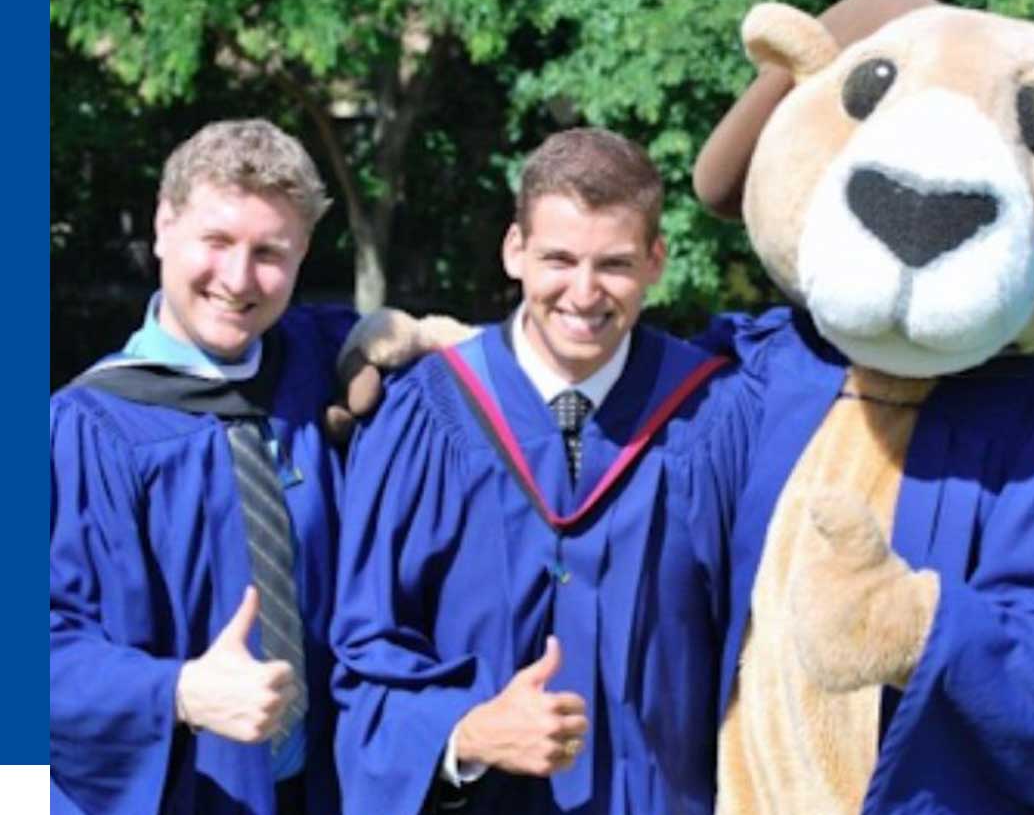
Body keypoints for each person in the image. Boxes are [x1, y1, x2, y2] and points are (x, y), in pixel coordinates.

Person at [331, 128, 765, 815]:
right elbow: (368, 648)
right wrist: (462, 734)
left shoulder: (718, 417)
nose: (585, 294)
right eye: (559, 259)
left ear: (657, 260)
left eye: (615, 264)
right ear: (515, 252)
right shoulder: (423, 415)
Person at [50, 119, 354, 814]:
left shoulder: (309, 367)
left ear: (304, 252)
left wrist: (395, 336)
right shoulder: (86, 429)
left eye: (270, 251)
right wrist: (178, 691)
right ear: (163, 227)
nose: (239, 279)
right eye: (216, 242)